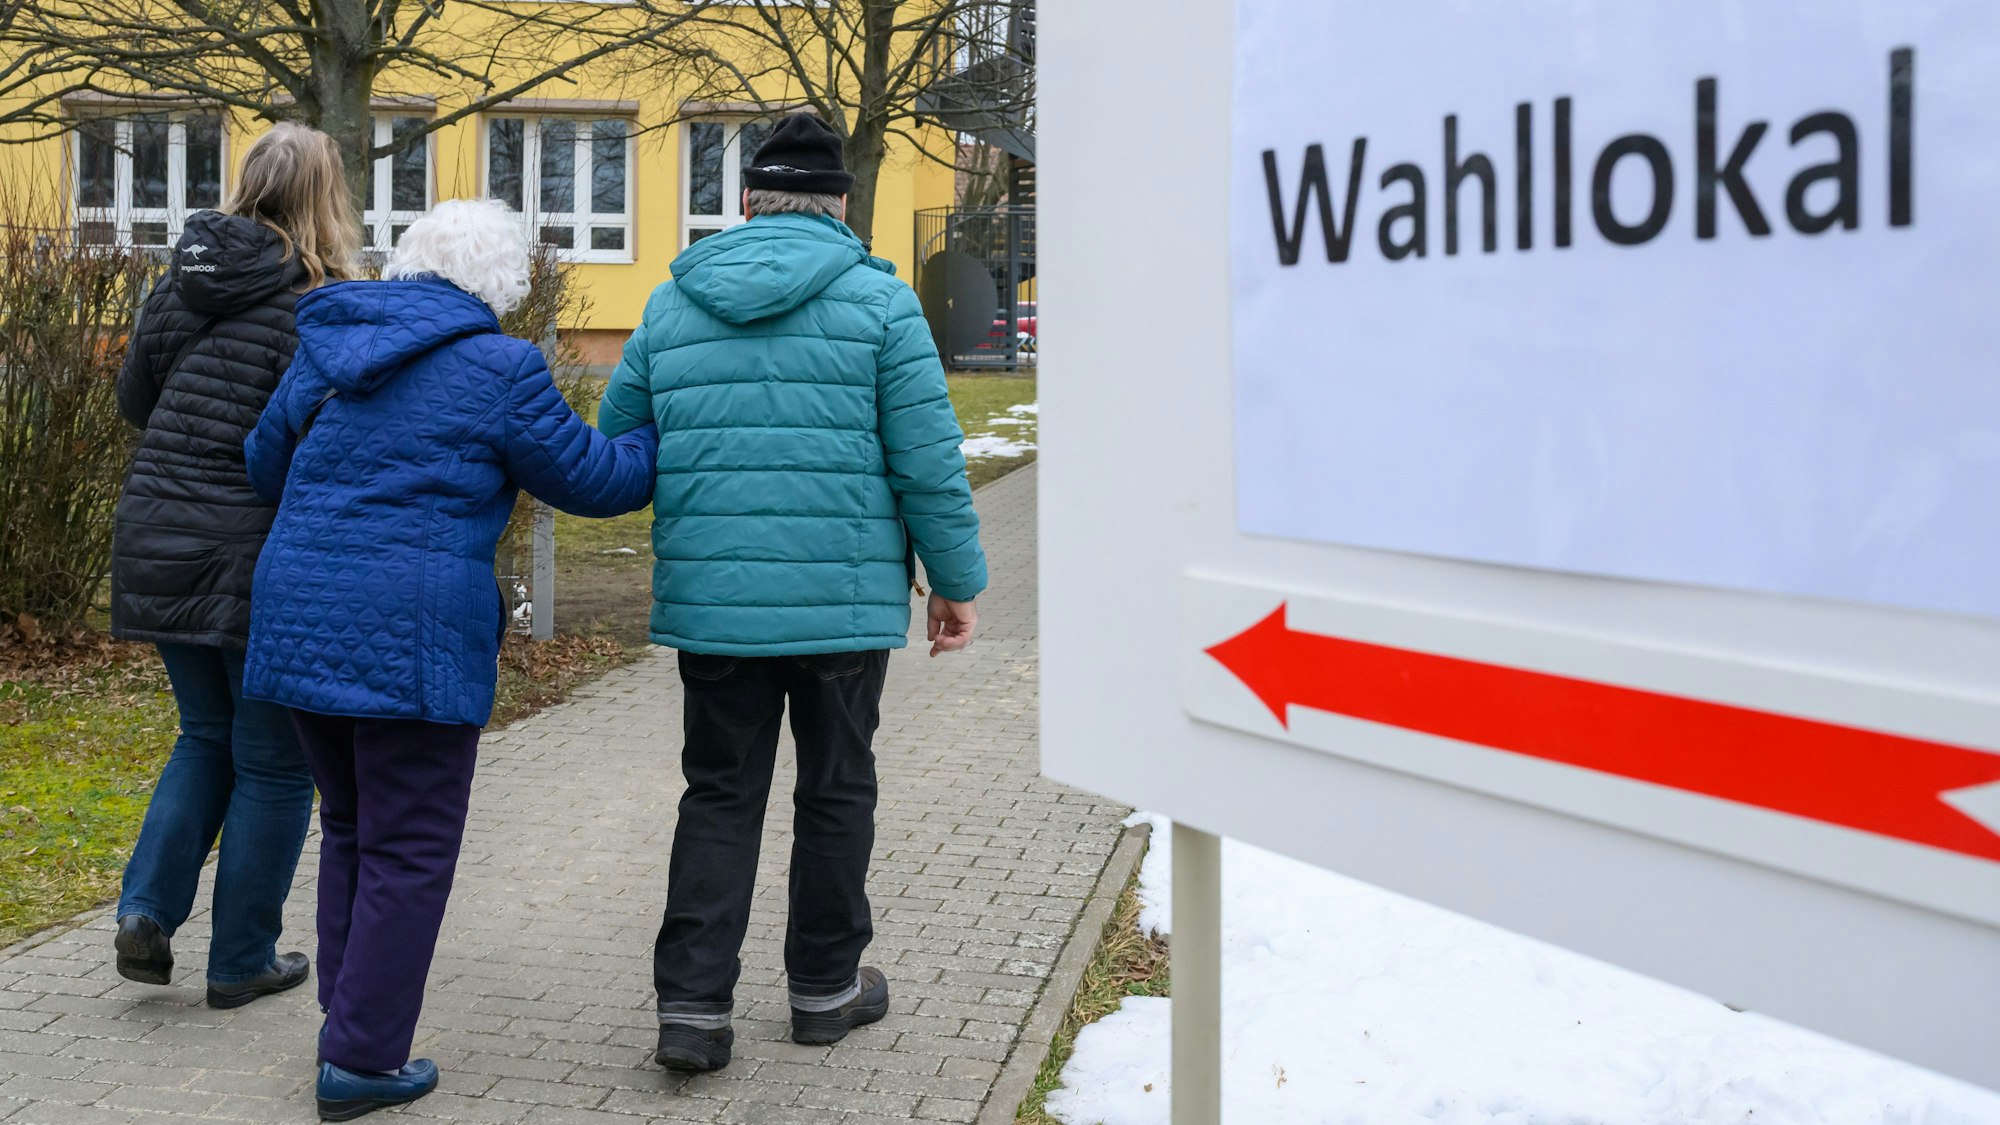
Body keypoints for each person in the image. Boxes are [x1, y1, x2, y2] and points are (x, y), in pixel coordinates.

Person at [241, 198, 657, 1121]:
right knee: (410, 846)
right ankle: (360, 1058)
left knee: (352, 825)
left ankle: (345, 1021)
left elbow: (263, 463)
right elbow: (599, 480)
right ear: (501, 284)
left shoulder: (331, 344)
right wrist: (652, 428)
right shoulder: (499, 365)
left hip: (299, 616)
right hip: (410, 636)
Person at [597, 113, 989, 1073]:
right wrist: (957, 583)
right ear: (842, 205)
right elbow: (930, 466)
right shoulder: (882, 306)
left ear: (745, 203)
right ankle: (825, 987)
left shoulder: (669, 305)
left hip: (715, 606)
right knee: (837, 787)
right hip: (843, 610)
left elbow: (619, 444)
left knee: (720, 794)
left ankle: (691, 1006)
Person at [109, 122, 359, 1008]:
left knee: (202, 735)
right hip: (258, 549)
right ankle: (241, 957)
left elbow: (136, 399)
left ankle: (144, 910)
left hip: (156, 532)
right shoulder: (322, 300)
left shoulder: (180, 281)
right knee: (276, 762)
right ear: (326, 196)